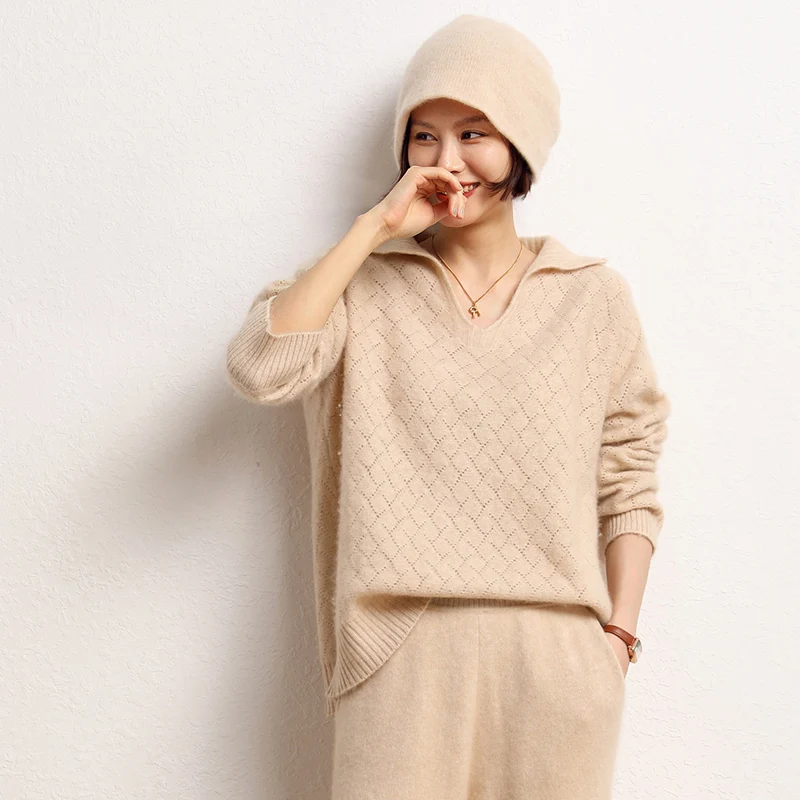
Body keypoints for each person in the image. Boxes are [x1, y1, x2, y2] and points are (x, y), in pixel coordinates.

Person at [225, 13, 670, 800]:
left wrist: (617, 638)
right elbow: (263, 369)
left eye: (473, 133)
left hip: (557, 653)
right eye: (423, 137)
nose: (446, 160)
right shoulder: (362, 283)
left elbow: (630, 473)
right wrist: (373, 229)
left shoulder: (593, 298)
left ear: (521, 143)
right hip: (400, 645)